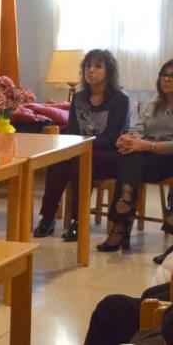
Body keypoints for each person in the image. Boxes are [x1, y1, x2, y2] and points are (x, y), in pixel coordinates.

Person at [33, 49, 130, 241]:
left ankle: (79, 219)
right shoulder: (78, 98)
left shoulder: (120, 99)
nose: (91, 70)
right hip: (83, 151)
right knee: (59, 159)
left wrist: (82, 146)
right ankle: (48, 217)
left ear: (108, 71)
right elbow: (72, 132)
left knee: (81, 159)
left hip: (112, 154)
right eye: (88, 66)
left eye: (98, 66)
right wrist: (75, 147)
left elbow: (111, 137)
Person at [97, 59, 173, 252]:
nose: (167, 79)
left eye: (172, 76)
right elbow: (138, 128)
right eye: (164, 75)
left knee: (134, 157)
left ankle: (121, 225)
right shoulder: (154, 103)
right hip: (147, 158)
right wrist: (128, 138)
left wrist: (146, 145)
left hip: (168, 157)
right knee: (128, 153)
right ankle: (127, 198)